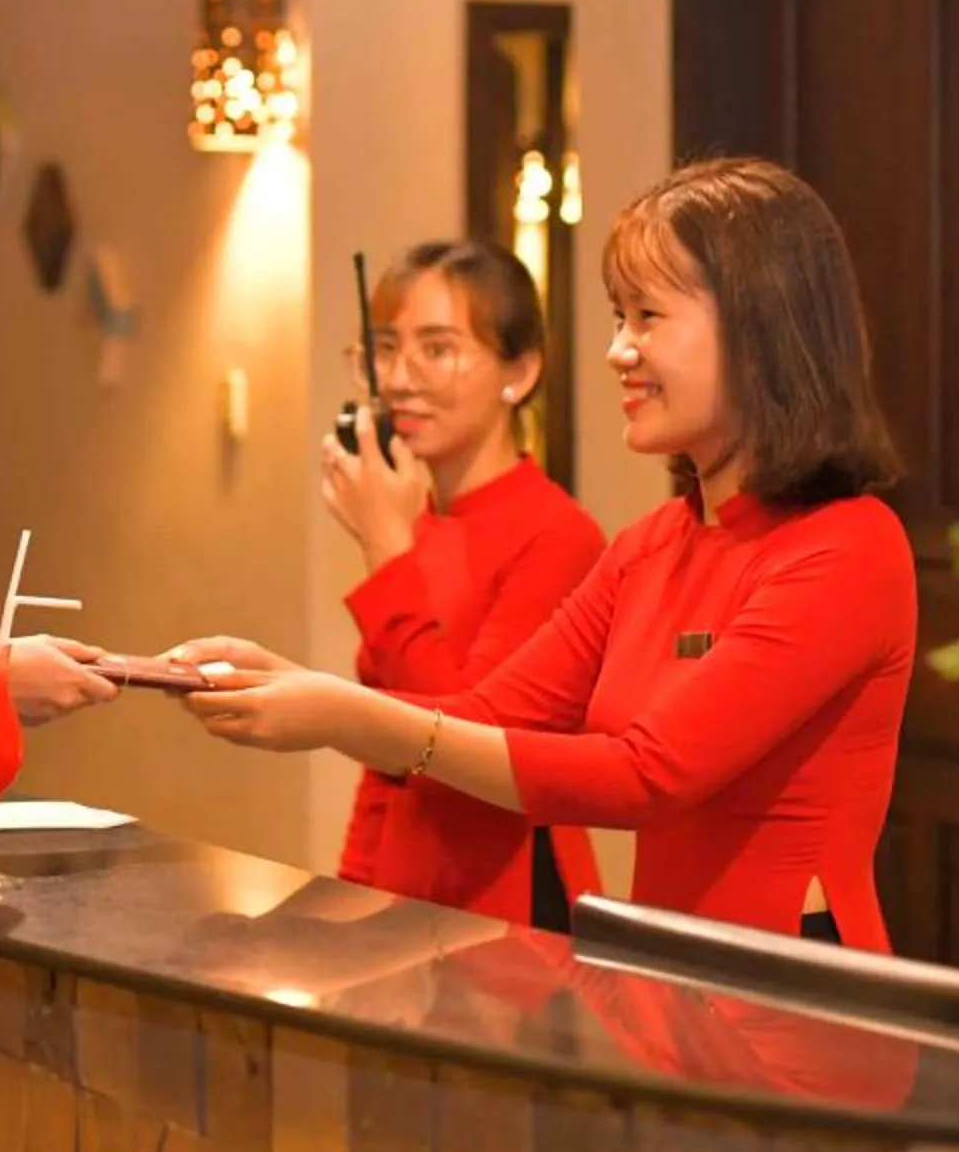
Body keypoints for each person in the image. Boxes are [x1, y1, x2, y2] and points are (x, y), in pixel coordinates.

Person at [175, 157, 913, 951]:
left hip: (793, 990)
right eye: (617, 318)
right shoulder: (653, 544)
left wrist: (338, 711)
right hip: (667, 974)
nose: (618, 352)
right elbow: (490, 715)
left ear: (760, 328)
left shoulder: (847, 546)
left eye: (648, 317)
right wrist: (300, 691)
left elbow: (648, 776)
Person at [308, 240, 605, 927]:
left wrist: (385, 546)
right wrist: (351, 899)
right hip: (405, 890)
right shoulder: (417, 516)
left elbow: (462, 738)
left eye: (436, 350)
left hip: (507, 898)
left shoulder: (557, 535)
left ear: (519, 371)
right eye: (384, 349)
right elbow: (386, 761)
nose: (401, 378)